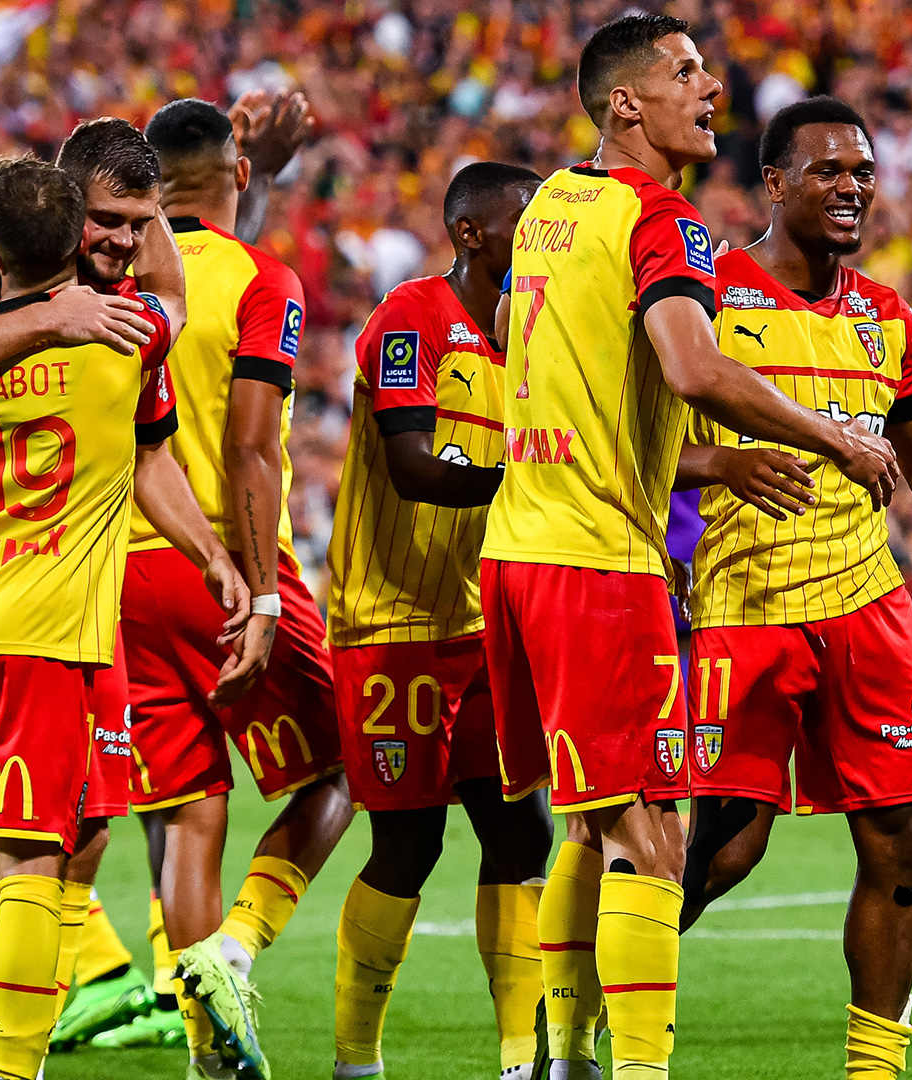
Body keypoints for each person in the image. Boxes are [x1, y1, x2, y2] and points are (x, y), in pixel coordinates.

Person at [481, 17, 899, 1080]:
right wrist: (835, 436)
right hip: (598, 565)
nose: (711, 85)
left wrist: (704, 468)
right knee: (655, 838)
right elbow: (694, 370)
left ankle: (555, 1056)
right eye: (684, 72)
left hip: (520, 550)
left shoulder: (548, 210)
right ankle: (634, 1072)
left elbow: (574, 385)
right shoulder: (660, 220)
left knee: (589, 823)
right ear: (626, 104)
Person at [674, 96, 912, 1080]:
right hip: (745, 607)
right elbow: (636, 443)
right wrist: (715, 470)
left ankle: (874, 1071)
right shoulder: (707, 292)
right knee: (719, 849)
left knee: (902, 839)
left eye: (863, 174)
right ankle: (591, 1017)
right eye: (829, 171)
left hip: (867, 608)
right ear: (774, 183)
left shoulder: (888, 318)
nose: (851, 189)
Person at [0, 117, 239, 1080]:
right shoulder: (120, 329)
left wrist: (206, 553)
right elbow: (173, 303)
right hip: (47, 627)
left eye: (141, 222)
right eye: (108, 220)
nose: (124, 240)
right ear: (69, 215)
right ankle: (2, 1063)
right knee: (35, 850)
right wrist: (57, 316)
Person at [105, 96, 352, 1080]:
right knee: (338, 768)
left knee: (186, 813)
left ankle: (208, 1033)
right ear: (240, 176)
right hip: (232, 564)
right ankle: (236, 948)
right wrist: (255, 592)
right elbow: (251, 449)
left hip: (124, 567)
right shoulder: (262, 278)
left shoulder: (114, 277)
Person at [323, 161, 554, 1080]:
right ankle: (355, 1058)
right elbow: (414, 464)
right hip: (393, 621)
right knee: (410, 843)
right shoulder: (412, 317)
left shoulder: (537, 342)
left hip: (487, 625)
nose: (539, 239)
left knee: (519, 831)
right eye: (523, 223)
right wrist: (526, 487)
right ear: (471, 233)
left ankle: (519, 1058)